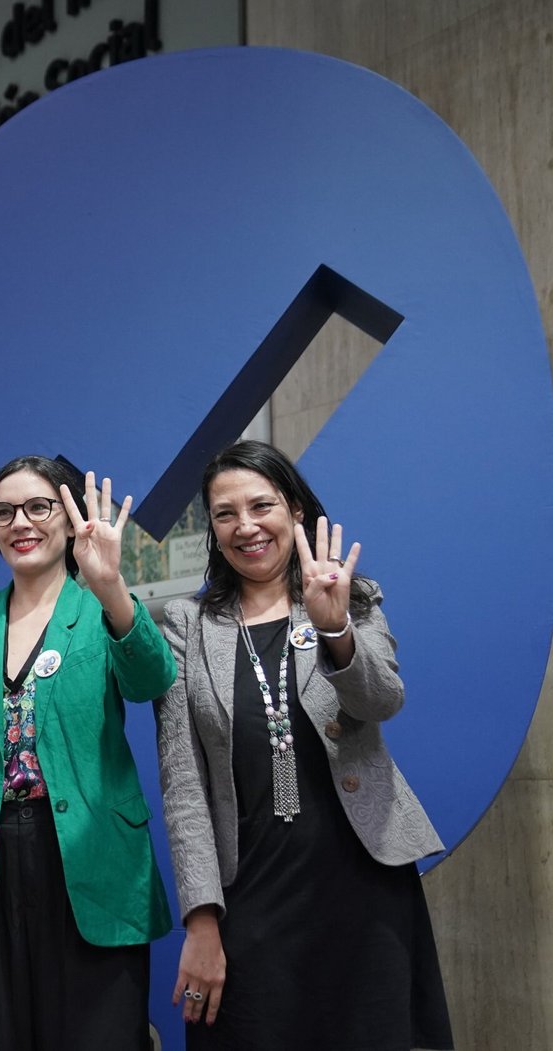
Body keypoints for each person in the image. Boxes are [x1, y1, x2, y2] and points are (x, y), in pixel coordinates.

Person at [157, 440, 452, 1049]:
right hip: (251, 894)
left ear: (294, 509)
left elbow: (381, 702)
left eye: (261, 505)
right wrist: (202, 918)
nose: (246, 527)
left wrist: (335, 627)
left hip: (362, 887)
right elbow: (183, 785)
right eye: (225, 514)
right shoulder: (185, 624)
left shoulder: (349, 593)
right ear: (213, 529)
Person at [0, 455, 176, 1050]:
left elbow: (152, 680)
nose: (19, 522)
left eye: (38, 507)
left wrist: (111, 587)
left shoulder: (100, 607)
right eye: (3, 512)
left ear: (69, 515)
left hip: (90, 858)